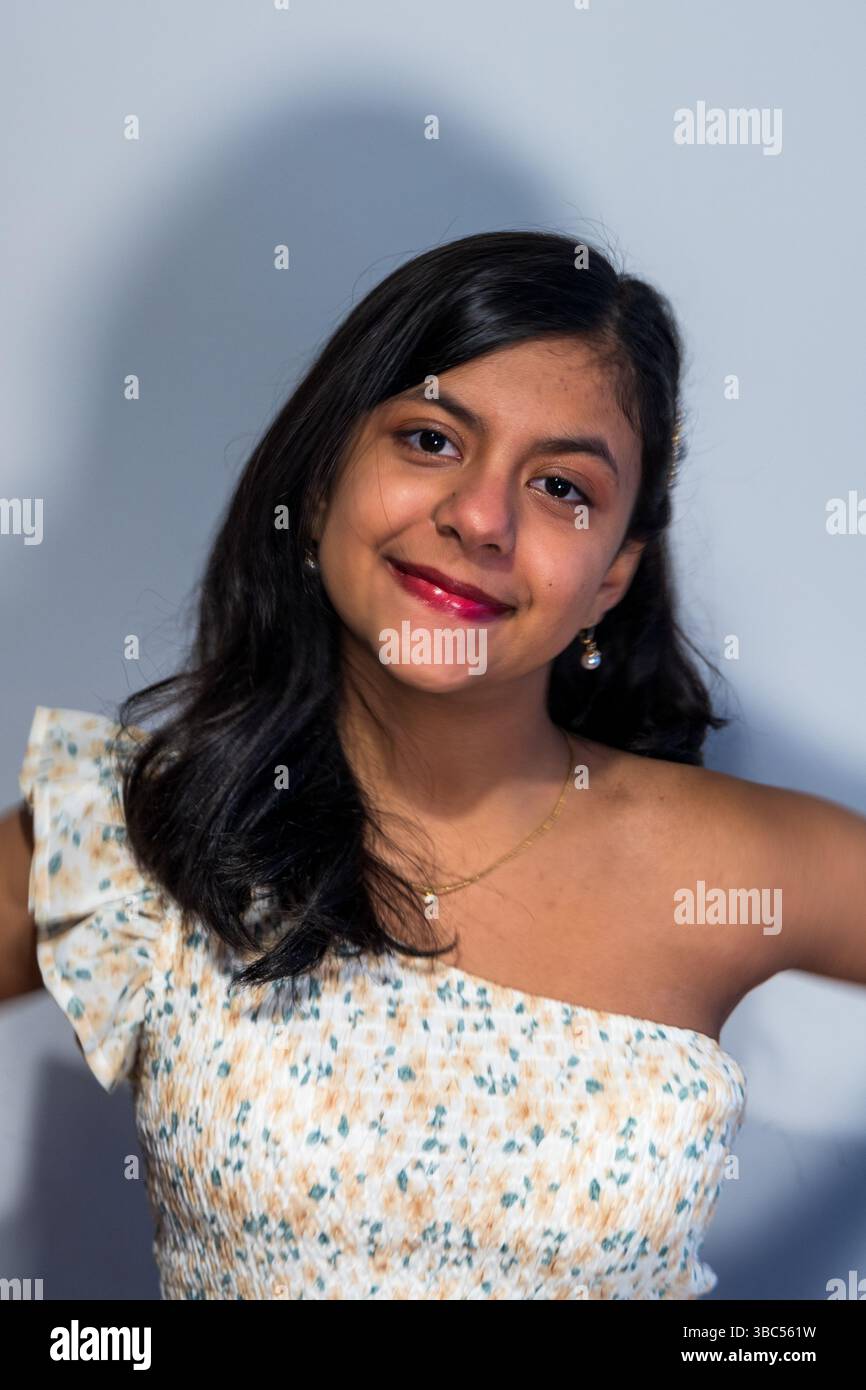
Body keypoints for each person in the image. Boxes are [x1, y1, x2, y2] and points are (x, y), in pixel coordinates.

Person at [2, 229, 864, 1300]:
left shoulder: (737, 860)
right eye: (428, 439)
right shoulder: (145, 827)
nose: (480, 517)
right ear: (320, 481)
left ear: (611, 578)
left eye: (561, 488)